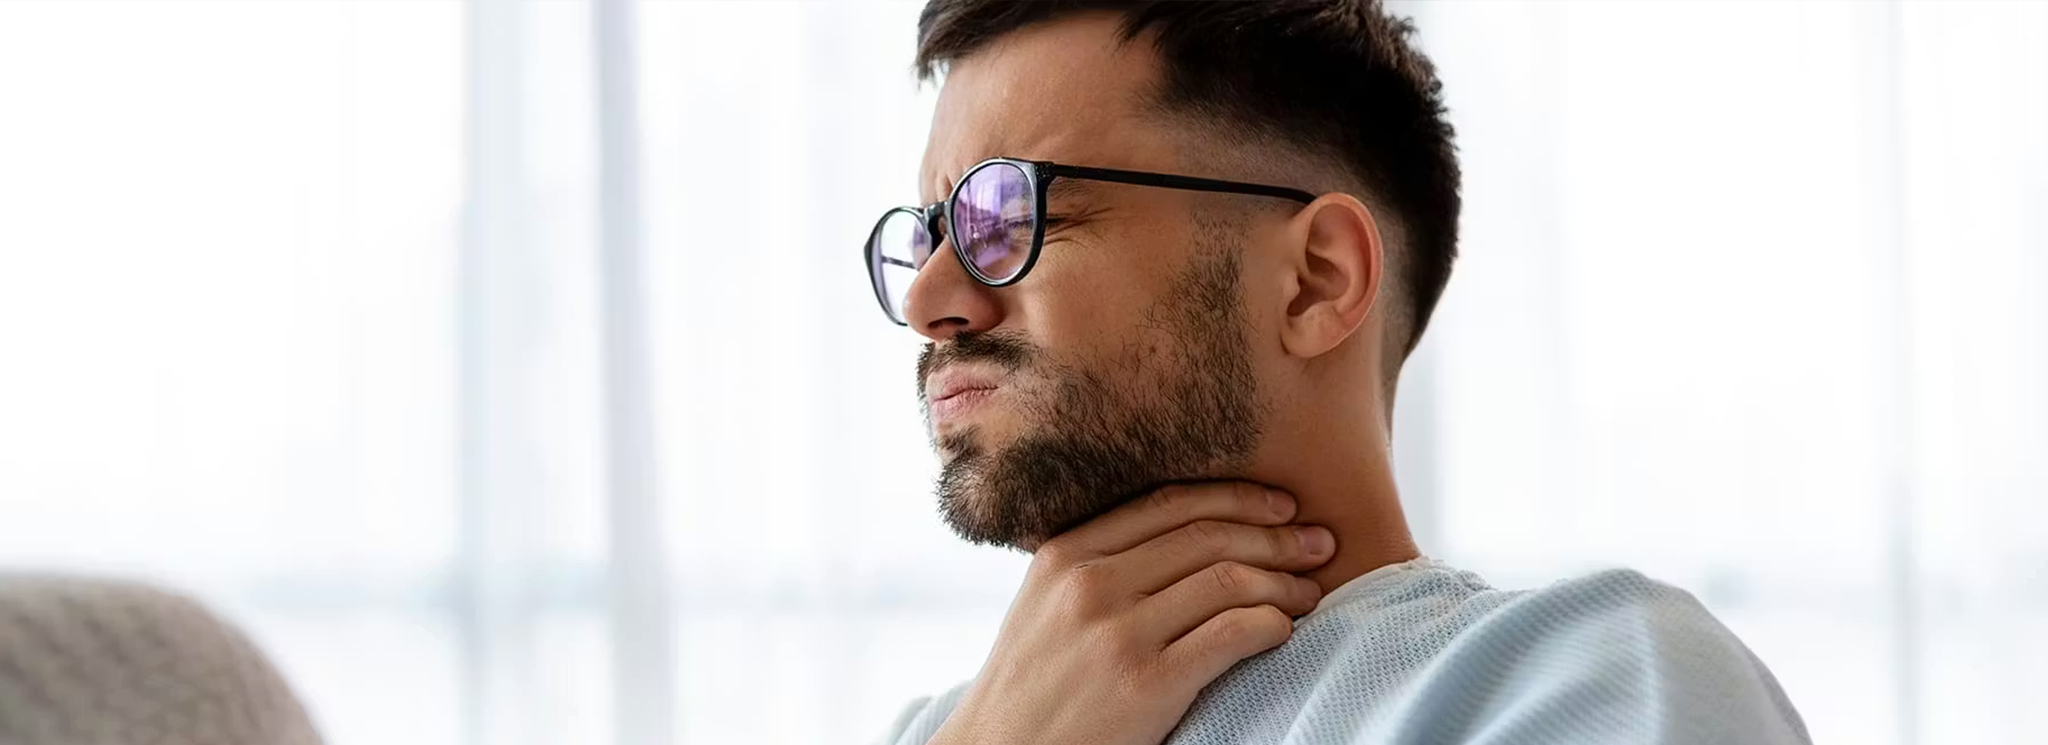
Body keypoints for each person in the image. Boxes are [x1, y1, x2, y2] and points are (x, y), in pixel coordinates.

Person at [860, 1, 1811, 743]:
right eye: (933, 231)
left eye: (1005, 216)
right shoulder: (943, 728)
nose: (928, 300)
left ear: (1316, 280)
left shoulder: (1591, 684)